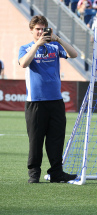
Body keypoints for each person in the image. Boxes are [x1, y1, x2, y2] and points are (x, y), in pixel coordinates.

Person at [18, 15, 78, 183]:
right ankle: (34, 174)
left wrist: (58, 39)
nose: (40, 32)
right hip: (35, 102)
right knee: (36, 140)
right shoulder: (26, 47)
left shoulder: (54, 46)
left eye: (43, 29)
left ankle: (56, 173)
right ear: (31, 30)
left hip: (56, 101)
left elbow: (74, 54)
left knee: (56, 139)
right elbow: (23, 63)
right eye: (37, 29)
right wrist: (37, 45)